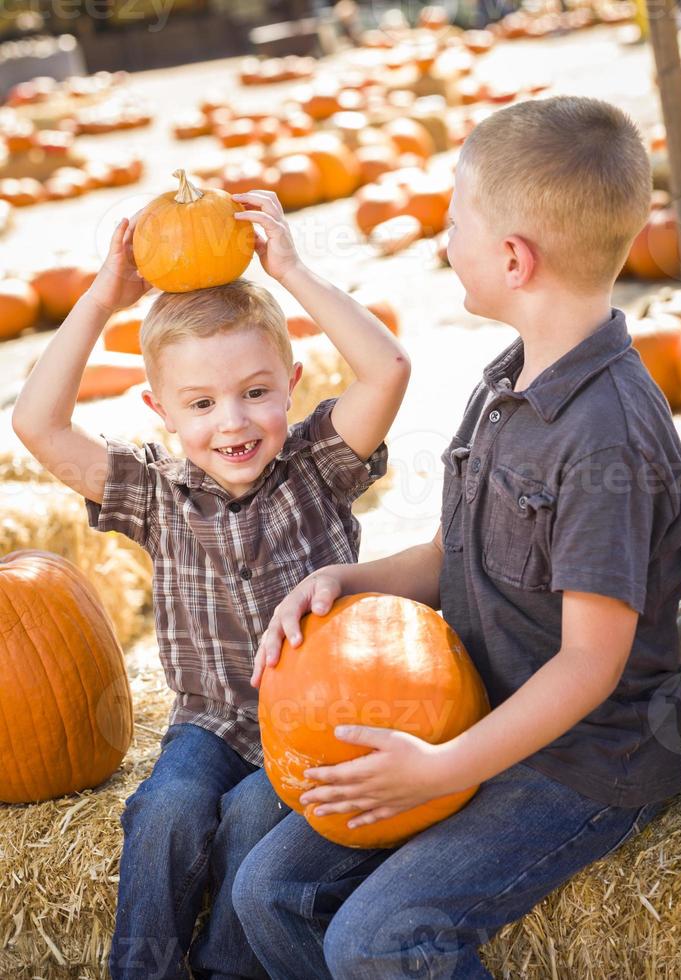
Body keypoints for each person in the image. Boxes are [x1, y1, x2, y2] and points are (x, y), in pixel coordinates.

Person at [231, 97, 681, 979]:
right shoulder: (507, 381)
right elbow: (455, 555)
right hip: (477, 717)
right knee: (267, 891)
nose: (442, 238)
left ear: (513, 259)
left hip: (586, 763)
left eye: (453, 221)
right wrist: (349, 577)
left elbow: (587, 666)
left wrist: (442, 769)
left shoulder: (605, 436)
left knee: (379, 939)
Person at [11, 190, 410, 980]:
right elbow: (37, 426)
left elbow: (388, 366)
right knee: (163, 811)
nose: (232, 422)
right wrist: (99, 300)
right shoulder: (152, 490)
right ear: (158, 409)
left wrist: (290, 270)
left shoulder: (317, 465)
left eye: (255, 392)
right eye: (200, 404)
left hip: (311, 723)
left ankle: (228, 969)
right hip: (209, 722)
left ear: (291, 384)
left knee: (254, 815)